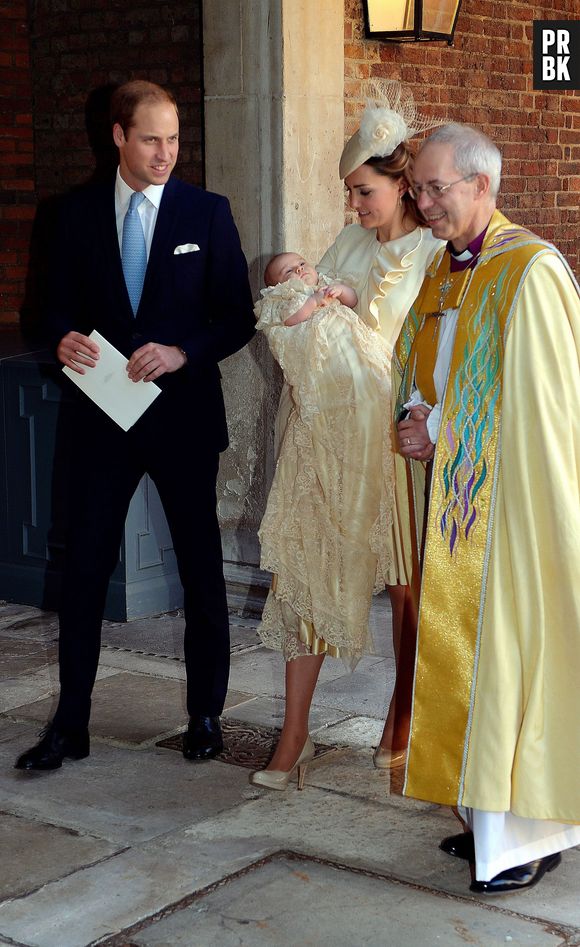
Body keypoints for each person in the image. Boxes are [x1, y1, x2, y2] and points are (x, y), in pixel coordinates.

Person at [15, 80, 255, 772]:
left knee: (201, 569)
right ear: (117, 136)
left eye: (174, 139)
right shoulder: (70, 215)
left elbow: (236, 315)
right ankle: (71, 724)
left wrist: (183, 352)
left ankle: (206, 714)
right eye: (151, 138)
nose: (165, 152)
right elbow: (45, 310)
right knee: (83, 569)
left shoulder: (207, 213)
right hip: (100, 419)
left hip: (182, 419)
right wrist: (59, 337)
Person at [393, 121, 580, 893]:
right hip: (459, 500)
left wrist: (440, 428)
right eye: (420, 188)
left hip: (512, 511)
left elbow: (542, 405)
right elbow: (423, 356)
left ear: (483, 186)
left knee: (507, 663)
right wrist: (414, 409)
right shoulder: (446, 269)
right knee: (465, 663)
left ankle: (525, 837)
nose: (424, 202)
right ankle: (484, 823)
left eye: (438, 188)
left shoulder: (529, 270)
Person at [250, 80, 444, 790]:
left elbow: (389, 330)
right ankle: (294, 733)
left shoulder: (430, 248)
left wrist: (336, 299)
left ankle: (405, 718)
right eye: (350, 194)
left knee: (407, 589)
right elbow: (306, 301)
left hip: (396, 440)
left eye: (364, 192)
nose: (354, 206)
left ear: (399, 185)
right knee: (305, 572)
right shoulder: (349, 240)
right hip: (336, 433)